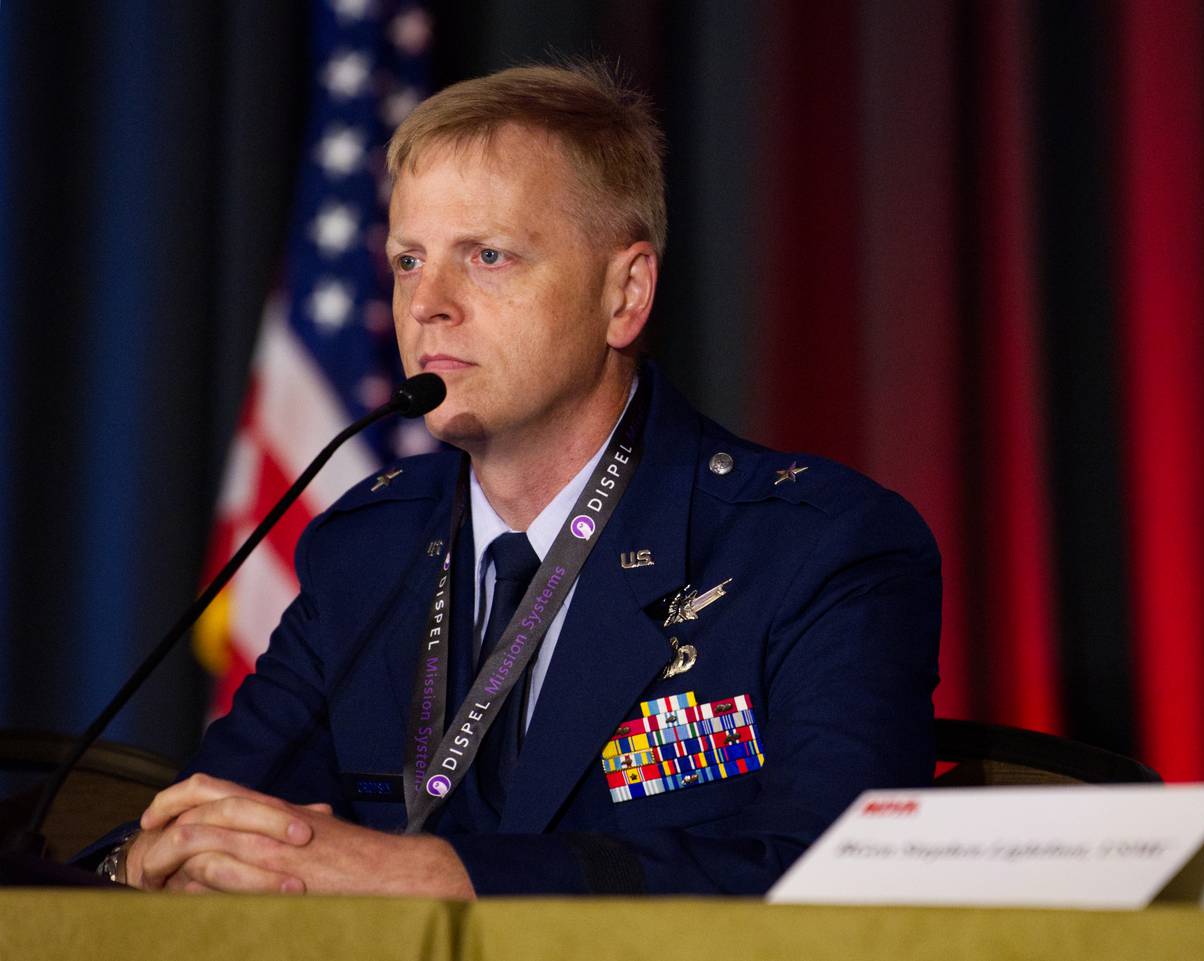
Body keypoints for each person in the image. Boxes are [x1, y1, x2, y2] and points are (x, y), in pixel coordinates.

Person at [98, 62, 941, 897]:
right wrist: (139, 862)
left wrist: (442, 874)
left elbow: (835, 881)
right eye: (406, 260)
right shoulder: (367, 550)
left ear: (626, 293)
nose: (427, 302)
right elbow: (213, 816)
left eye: (488, 255)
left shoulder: (813, 546)